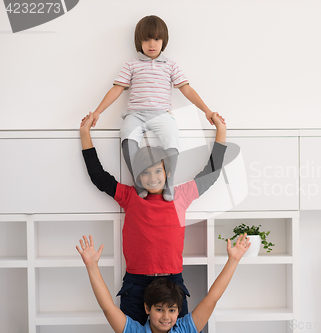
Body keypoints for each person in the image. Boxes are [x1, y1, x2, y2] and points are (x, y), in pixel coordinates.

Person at [80, 111, 226, 325]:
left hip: (172, 282)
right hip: (137, 284)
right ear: (137, 175)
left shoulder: (181, 195)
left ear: (167, 172)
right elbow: (99, 177)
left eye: (158, 171)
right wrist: (85, 134)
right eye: (145, 173)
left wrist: (221, 131)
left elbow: (211, 173)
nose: (152, 178)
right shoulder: (129, 196)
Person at [89, 15, 218, 200]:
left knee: (172, 139)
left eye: (157, 39)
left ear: (163, 41)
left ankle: (168, 182)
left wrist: (207, 110)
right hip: (136, 115)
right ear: (138, 41)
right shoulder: (131, 65)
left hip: (162, 115)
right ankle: (139, 182)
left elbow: (186, 89)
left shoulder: (170, 65)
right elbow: (116, 89)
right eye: (146, 39)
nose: (152, 44)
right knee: (126, 136)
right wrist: (97, 112)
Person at [76, 233, 250, 333]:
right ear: (147, 309)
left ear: (178, 310)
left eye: (172, 310)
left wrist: (233, 260)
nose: (166, 317)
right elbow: (108, 307)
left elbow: (212, 298)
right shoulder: (135, 331)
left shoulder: (184, 329)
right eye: (159, 309)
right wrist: (91, 266)